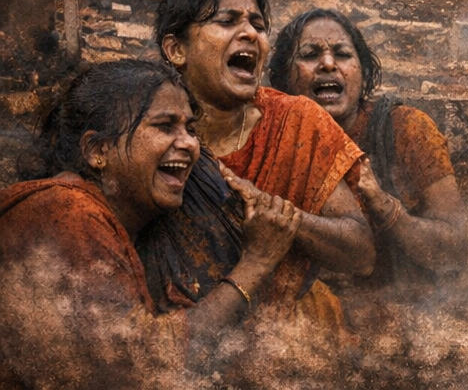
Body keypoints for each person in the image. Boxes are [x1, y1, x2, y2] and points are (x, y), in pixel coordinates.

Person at [0, 60, 301, 389]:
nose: (189, 143)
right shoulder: (66, 211)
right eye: (165, 125)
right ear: (98, 150)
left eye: (190, 129)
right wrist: (255, 263)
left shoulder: (94, 216)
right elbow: (140, 365)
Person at [152, 0, 373, 324]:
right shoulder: (145, 129)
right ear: (176, 49)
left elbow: (360, 252)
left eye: (258, 24)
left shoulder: (296, 121)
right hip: (175, 342)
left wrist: (285, 221)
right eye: (226, 21)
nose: (250, 34)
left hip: (283, 342)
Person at [270, 10, 468, 283]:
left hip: (406, 310)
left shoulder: (407, 130)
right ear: (284, 79)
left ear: (363, 73)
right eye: (309, 55)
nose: (328, 64)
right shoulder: (270, 140)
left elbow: (455, 253)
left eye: (342, 54)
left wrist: (388, 211)